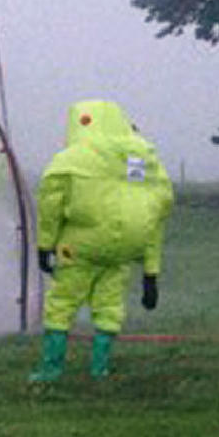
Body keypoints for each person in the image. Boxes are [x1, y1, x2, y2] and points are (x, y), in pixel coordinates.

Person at [30, 100, 174, 381]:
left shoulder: (73, 157)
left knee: (61, 303)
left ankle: (51, 369)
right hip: (125, 249)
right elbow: (157, 213)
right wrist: (150, 273)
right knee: (109, 304)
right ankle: (100, 368)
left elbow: (51, 204)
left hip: (80, 248)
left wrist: (44, 245)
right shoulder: (146, 159)